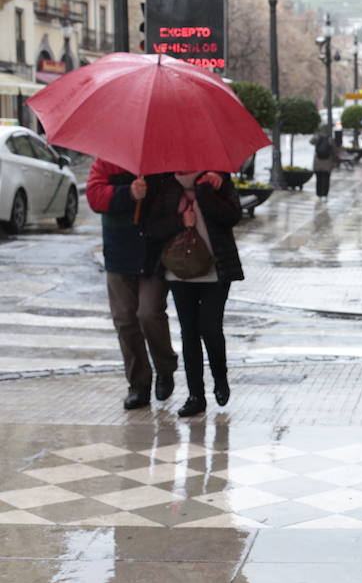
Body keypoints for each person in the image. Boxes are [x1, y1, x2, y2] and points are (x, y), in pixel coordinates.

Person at [144, 171, 244, 417]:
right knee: (189, 332)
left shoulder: (217, 181)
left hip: (216, 269)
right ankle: (195, 395)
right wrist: (181, 222)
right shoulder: (165, 184)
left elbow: (232, 216)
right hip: (179, 271)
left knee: (210, 327)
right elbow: (152, 227)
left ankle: (220, 379)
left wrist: (206, 191)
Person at [86, 159, 178, 410]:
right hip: (119, 254)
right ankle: (139, 383)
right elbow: (94, 197)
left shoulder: (162, 163)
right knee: (125, 320)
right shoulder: (106, 161)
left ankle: (165, 366)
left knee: (148, 313)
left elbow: (176, 200)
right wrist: (127, 193)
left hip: (153, 253)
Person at [310, 128, 337, 199]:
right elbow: (334, 150)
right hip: (327, 162)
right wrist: (334, 161)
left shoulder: (317, 138)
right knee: (326, 179)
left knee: (318, 179)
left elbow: (311, 142)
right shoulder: (330, 139)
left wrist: (316, 135)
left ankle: (318, 194)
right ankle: (324, 194)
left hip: (318, 162)